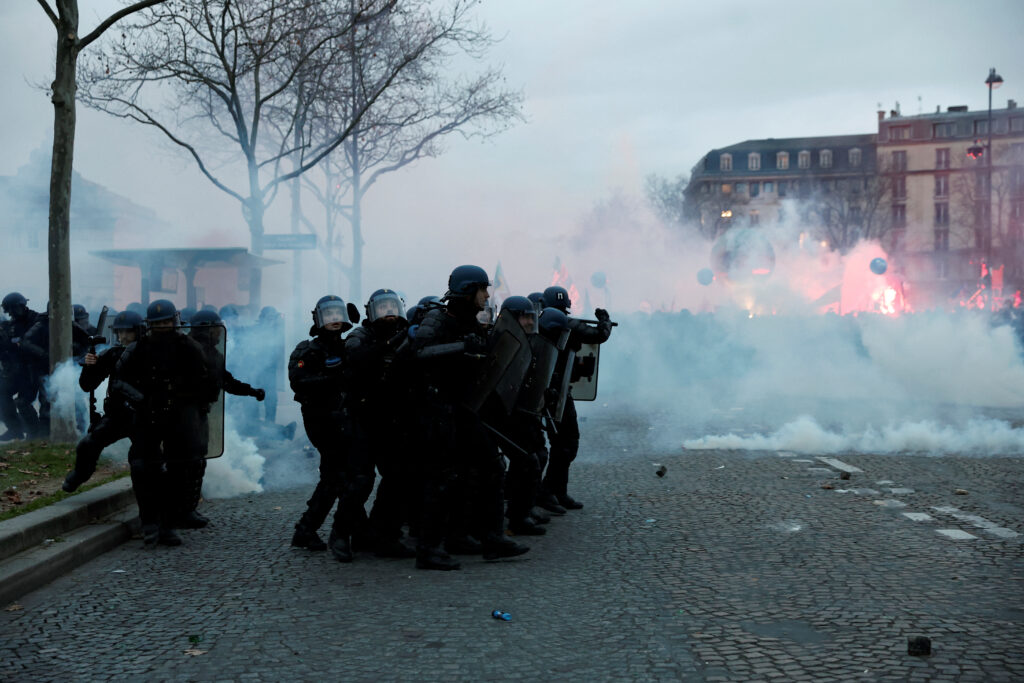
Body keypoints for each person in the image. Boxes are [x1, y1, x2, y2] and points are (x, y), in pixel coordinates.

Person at [412, 265, 529, 568]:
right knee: (441, 479)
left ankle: (488, 538)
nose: (487, 295)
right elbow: (419, 353)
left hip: (463, 409)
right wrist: (462, 346)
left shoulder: (469, 321)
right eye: (482, 289)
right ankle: (428, 549)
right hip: (437, 411)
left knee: (488, 467)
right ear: (467, 290)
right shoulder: (437, 318)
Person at [115, 299, 217, 547]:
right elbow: (119, 380)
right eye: (157, 324)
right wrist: (140, 399)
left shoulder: (189, 348)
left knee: (179, 470)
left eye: (166, 322)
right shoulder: (138, 349)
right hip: (147, 416)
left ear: (175, 321)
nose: (162, 327)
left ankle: (169, 524)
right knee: (142, 468)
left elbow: (205, 383)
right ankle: (149, 522)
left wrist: (188, 405)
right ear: (149, 325)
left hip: (178, 417)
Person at [174, 309, 265, 528]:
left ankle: (188, 510)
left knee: (198, 462)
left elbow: (226, 381)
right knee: (186, 463)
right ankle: (178, 511)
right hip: (183, 413)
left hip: (200, 411)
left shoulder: (214, 354)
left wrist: (251, 391)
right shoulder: (185, 350)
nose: (218, 333)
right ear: (206, 329)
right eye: (215, 328)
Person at [344, 289, 417, 559]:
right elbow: (357, 360)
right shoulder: (359, 337)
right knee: (359, 481)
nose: (389, 313)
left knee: (398, 477)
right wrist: (391, 344)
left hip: (393, 420)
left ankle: (384, 532)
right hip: (362, 419)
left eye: (392, 306)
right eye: (382, 307)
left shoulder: (406, 335)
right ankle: (348, 533)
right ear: (371, 311)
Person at [289, 295, 355, 559]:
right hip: (321, 419)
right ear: (318, 319)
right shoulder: (307, 350)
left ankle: (307, 530)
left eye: (338, 315)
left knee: (340, 476)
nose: (335, 320)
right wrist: (333, 378)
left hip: (345, 417)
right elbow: (299, 382)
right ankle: (307, 529)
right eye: (328, 316)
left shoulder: (350, 346)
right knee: (337, 476)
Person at [538, 285, 613, 511]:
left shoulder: (539, 323)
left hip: (556, 390)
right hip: (551, 391)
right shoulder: (569, 325)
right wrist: (605, 319)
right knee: (563, 444)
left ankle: (558, 492)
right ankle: (548, 492)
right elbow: (600, 335)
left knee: (565, 444)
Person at [63, 311, 146, 492]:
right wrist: (90, 366)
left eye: (128, 332)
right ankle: (80, 475)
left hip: (146, 417)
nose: (123, 336)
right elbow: (87, 385)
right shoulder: (114, 354)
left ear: (138, 331)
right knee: (88, 445)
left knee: (142, 463)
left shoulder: (151, 353)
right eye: (119, 332)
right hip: (119, 415)